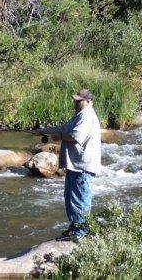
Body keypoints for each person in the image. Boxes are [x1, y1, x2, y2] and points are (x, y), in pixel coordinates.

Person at [32, 89, 101, 241]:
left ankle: (80, 233)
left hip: (82, 166)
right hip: (74, 165)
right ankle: (75, 228)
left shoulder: (87, 116)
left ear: (89, 102)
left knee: (79, 199)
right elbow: (63, 129)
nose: (76, 102)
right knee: (70, 198)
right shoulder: (79, 116)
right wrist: (41, 131)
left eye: (79, 101)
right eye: (75, 100)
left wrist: (59, 137)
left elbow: (75, 136)